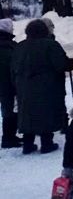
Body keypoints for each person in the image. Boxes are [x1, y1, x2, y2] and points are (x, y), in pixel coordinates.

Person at [11, 19, 71, 154]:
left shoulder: (20, 46)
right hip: (47, 86)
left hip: (24, 86)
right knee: (46, 112)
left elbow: (13, 67)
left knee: (27, 113)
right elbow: (60, 64)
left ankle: (27, 144)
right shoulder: (50, 45)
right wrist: (70, 64)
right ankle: (47, 143)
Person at [0, 18, 21, 148]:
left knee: (8, 109)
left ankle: (10, 136)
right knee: (10, 110)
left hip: (3, 84)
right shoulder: (8, 47)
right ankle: (8, 138)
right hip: (9, 83)